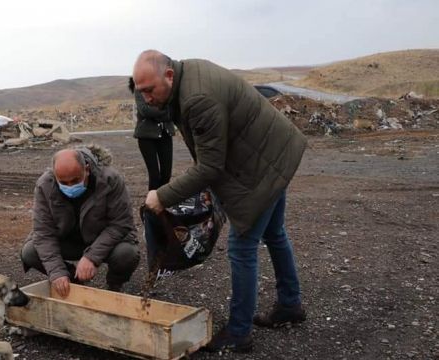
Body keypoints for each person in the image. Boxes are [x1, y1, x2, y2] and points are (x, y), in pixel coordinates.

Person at [133, 50, 307, 353]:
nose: (146, 98)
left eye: (150, 89)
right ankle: (290, 304)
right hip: (274, 149)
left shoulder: (196, 99)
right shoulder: (189, 74)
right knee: (275, 233)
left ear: (169, 76)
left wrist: (161, 196)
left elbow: (210, 166)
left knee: (242, 247)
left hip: (261, 165)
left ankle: (239, 332)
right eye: (141, 91)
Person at [20, 144, 140, 297]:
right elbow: (43, 232)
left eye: (75, 180)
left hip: (101, 238)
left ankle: (114, 285)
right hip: (68, 240)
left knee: (127, 253)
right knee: (30, 252)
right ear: (55, 177)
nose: (70, 186)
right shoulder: (45, 185)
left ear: (87, 169)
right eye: (63, 182)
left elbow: (121, 224)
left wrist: (92, 257)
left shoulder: (110, 180)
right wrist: (57, 272)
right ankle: (73, 282)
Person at [128, 77, 175, 191]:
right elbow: (145, 110)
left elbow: (173, 110)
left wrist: (159, 112)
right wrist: (164, 112)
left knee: (166, 175)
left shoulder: (165, 87)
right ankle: (151, 207)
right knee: (154, 176)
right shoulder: (139, 87)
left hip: (165, 134)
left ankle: (162, 204)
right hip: (146, 137)